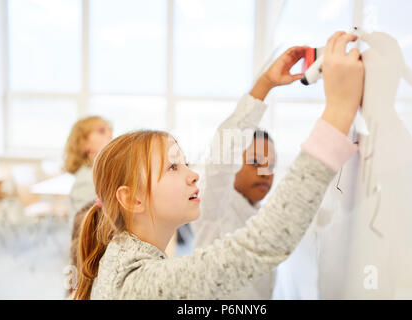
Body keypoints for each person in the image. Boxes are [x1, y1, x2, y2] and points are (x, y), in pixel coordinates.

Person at [74, 31, 364, 300]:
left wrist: (264, 85)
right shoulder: (141, 283)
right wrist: (337, 112)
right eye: (173, 167)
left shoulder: (126, 259)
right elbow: (264, 241)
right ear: (131, 198)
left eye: (185, 163)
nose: (194, 174)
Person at [191, 45, 305, 299]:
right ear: (234, 163)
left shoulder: (261, 216)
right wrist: (265, 84)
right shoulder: (216, 206)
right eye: (256, 161)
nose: (266, 173)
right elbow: (223, 152)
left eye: (272, 165)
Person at [63, 116, 113, 215]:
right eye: (102, 131)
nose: (110, 135)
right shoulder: (87, 181)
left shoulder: (99, 171)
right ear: (84, 143)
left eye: (110, 130)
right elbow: (85, 224)